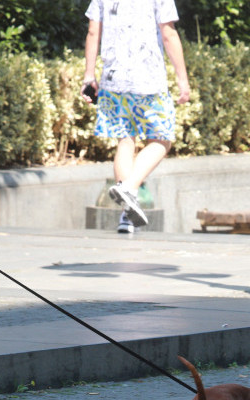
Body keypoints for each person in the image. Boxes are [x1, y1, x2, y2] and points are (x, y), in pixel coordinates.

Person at [82, 0, 190, 235]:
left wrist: (89, 75)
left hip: (113, 79)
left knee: (125, 140)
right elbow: (168, 33)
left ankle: (126, 217)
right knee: (162, 139)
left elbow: (93, 31)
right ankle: (129, 188)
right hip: (149, 80)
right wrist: (182, 78)